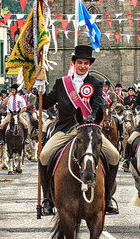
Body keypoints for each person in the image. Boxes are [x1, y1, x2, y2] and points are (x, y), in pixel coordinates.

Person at [38, 44, 120, 217]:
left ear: (90, 65)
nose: (83, 66)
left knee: (114, 155)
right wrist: (38, 89)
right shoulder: (62, 83)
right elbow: (45, 103)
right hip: (66, 129)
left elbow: (97, 106)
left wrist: (87, 122)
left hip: (88, 130)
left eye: (86, 63)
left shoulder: (96, 84)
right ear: (74, 63)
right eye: (80, 62)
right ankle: (47, 199)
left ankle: (108, 198)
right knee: (44, 155)